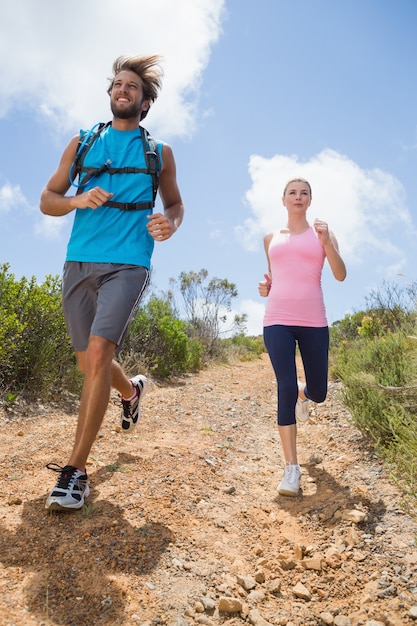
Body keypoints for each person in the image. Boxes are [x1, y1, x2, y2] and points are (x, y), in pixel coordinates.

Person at [40, 54, 184, 511]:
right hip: (80, 260)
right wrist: (78, 199)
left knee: (100, 354)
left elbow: (176, 204)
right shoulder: (82, 142)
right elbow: (48, 199)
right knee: (90, 367)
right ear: (111, 94)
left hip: (129, 262)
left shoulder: (158, 152)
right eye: (118, 84)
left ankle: (74, 472)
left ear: (144, 102)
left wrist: (169, 223)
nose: (123, 90)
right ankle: (131, 390)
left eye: (132, 87)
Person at [258, 178, 346, 497]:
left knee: (320, 391)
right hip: (277, 320)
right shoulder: (271, 237)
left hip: (314, 321)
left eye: (304, 193)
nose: (298, 196)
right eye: (292, 192)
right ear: (283, 200)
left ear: (310, 200)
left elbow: (340, 274)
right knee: (283, 385)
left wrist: (327, 244)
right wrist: (266, 287)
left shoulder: (322, 233)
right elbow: (274, 278)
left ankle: (304, 394)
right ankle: (291, 469)